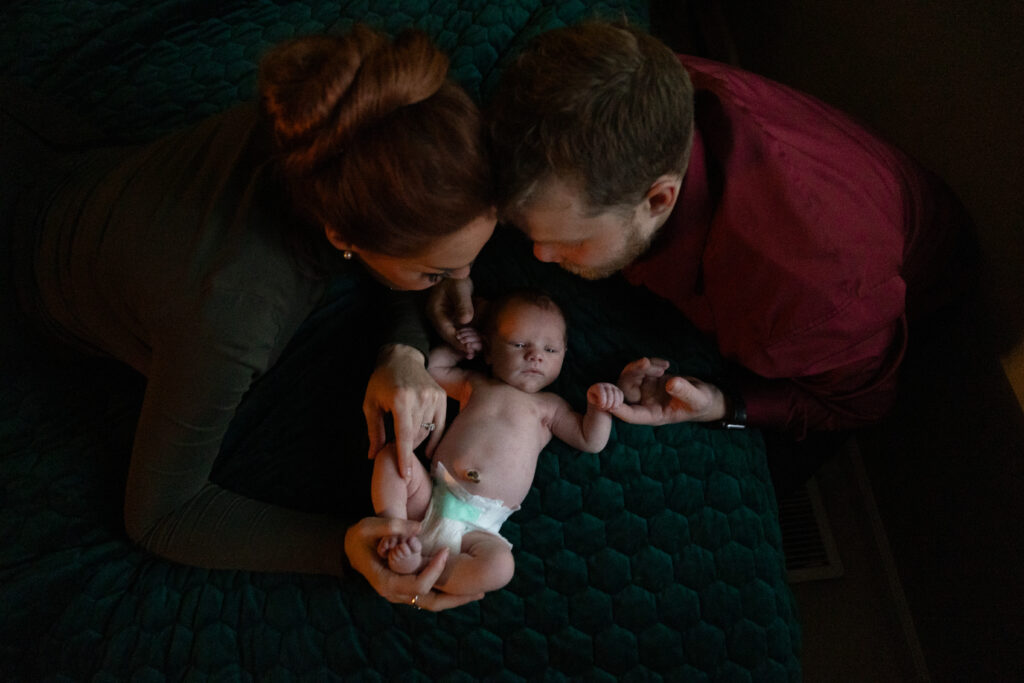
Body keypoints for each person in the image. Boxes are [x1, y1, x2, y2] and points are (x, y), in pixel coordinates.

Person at [2, 25, 497, 611]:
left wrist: (404, 347)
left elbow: (384, 234)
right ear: (343, 236)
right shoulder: (231, 320)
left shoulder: (326, 125)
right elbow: (162, 515)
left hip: (51, 150)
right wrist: (343, 547)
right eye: (436, 274)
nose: (462, 284)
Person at [428, 20, 972, 497]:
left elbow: (859, 404)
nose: (542, 256)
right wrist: (457, 264)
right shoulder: (634, 89)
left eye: (569, 241)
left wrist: (723, 404)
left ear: (657, 200)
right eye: (530, 232)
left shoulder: (800, 298)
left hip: (884, 296)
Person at [371, 289, 624, 596]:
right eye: (519, 344)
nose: (535, 356)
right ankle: (393, 527)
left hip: (479, 528)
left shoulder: (549, 407)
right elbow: (434, 371)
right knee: (393, 457)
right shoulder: (475, 384)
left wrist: (599, 408)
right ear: (489, 350)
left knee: (500, 567)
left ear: (564, 355)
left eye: (550, 349)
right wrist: (461, 348)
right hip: (429, 498)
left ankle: (423, 566)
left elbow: (590, 440)